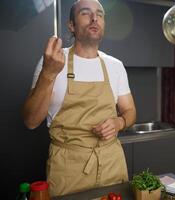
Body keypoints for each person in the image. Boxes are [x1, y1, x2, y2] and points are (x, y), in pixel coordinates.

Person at [22, 0, 136, 197]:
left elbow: (130, 111)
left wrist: (119, 122)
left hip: (112, 163)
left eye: (99, 14)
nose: (94, 18)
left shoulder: (115, 65)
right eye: (85, 13)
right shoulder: (52, 61)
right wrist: (48, 73)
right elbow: (31, 121)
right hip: (69, 170)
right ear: (71, 25)